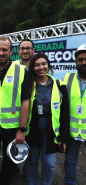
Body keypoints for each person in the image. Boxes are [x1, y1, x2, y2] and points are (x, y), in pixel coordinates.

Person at [0, 36, 30, 185]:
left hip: (12, 127)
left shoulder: (22, 71)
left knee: (10, 163)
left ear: (11, 51)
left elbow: (25, 102)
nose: (1, 52)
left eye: (5, 49)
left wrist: (22, 129)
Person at [25, 53, 69, 185]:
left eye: (43, 64)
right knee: (31, 161)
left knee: (49, 164)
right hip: (32, 129)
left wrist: (64, 137)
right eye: (37, 65)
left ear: (48, 65)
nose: (41, 67)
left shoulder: (58, 85)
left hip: (50, 131)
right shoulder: (28, 85)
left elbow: (65, 113)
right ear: (32, 67)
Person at [62, 43, 86, 185]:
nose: (84, 62)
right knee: (70, 162)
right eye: (80, 59)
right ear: (76, 62)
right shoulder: (67, 78)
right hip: (72, 131)